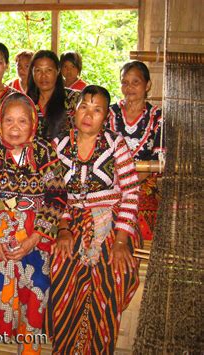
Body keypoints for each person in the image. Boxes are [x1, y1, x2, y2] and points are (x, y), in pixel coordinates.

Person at [0, 92, 66, 355]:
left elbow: (56, 197)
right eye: (9, 120)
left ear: (33, 123)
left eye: (22, 121)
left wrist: (34, 239)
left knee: (38, 285)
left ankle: (28, 345)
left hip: (33, 231)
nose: (15, 128)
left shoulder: (44, 151)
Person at [48, 85, 141, 353]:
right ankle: (66, 346)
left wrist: (121, 240)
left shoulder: (115, 144)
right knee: (62, 266)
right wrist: (63, 229)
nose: (89, 114)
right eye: (84, 107)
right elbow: (54, 193)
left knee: (114, 272)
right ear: (74, 111)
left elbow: (131, 191)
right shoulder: (60, 145)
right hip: (70, 221)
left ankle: (98, 347)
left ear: (105, 116)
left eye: (97, 109)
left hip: (110, 220)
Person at [108, 61, 165, 241]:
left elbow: (159, 160)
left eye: (135, 82)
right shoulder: (109, 113)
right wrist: (117, 184)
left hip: (143, 183)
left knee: (143, 218)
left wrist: (129, 184)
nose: (129, 88)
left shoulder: (158, 118)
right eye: (125, 82)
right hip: (111, 182)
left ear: (147, 85)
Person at [27, 50, 81, 142]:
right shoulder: (25, 103)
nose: (43, 76)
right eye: (38, 70)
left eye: (49, 70)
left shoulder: (74, 99)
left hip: (67, 155)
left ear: (58, 71)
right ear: (32, 72)